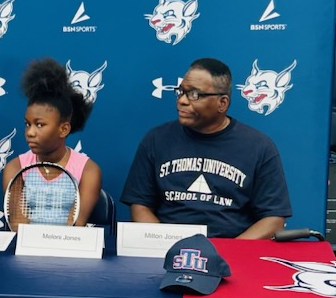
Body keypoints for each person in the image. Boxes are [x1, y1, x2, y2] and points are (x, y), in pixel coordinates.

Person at [121, 57, 291, 239]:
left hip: (231, 255)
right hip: (167, 255)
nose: (182, 101)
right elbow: (140, 206)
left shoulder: (259, 147)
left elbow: (273, 219)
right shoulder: (156, 139)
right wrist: (165, 245)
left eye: (195, 95)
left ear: (222, 103)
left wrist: (229, 253)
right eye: (181, 92)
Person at [2, 57, 102, 227]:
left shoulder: (89, 171)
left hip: (68, 249)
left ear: (64, 129)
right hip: (27, 251)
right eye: (28, 124)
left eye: (40, 125)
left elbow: (75, 227)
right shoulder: (15, 168)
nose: (30, 132)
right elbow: (18, 225)